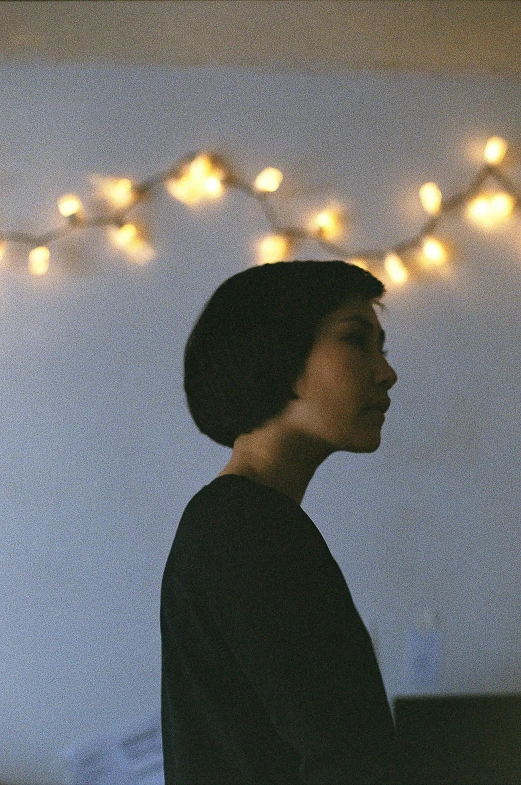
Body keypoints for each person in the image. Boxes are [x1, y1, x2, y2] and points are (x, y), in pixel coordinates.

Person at [161, 260, 400, 784]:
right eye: (356, 341)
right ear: (276, 356)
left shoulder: (232, 521)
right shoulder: (247, 529)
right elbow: (347, 757)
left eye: (382, 347)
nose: (386, 372)